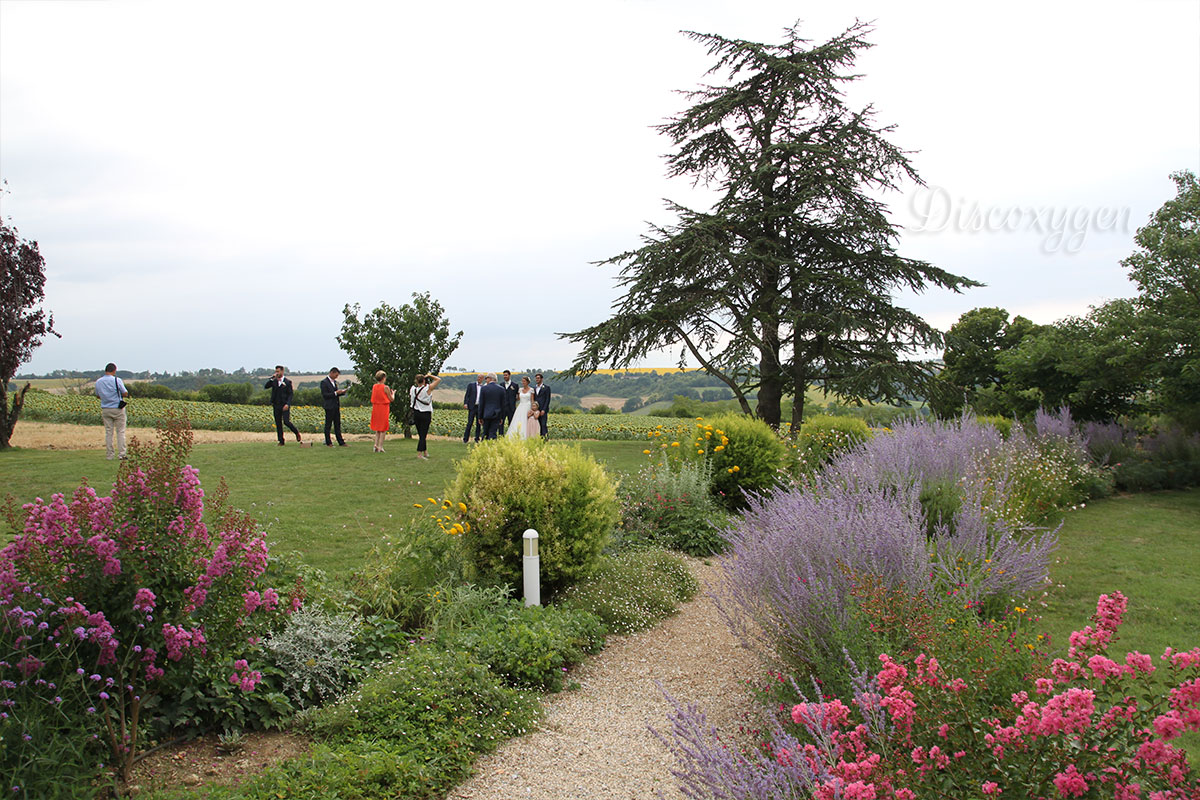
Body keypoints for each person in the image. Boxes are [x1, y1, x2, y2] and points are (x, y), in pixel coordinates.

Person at [95, 362, 129, 460]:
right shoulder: (117, 380)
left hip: (105, 408)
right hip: (117, 408)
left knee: (109, 432)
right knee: (120, 432)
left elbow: (98, 395)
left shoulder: (99, 382)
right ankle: (122, 454)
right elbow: (125, 393)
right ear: (114, 370)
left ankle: (110, 455)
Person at [265, 365, 301, 446]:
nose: (277, 373)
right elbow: (266, 386)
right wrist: (272, 379)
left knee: (286, 422)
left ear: (282, 371)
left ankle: (296, 432)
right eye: (276, 371)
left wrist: (288, 404)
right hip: (276, 405)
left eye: (278, 371)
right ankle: (281, 441)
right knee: (278, 423)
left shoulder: (287, 382)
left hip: (284, 405)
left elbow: (290, 394)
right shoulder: (274, 381)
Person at [409, 372, 441, 459]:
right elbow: (438, 379)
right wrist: (429, 375)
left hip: (416, 413)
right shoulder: (427, 389)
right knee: (423, 435)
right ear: (424, 380)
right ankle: (419, 454)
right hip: (425, 413)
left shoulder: (413, 389)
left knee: (421, 434)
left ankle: (425, 451)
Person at [321, 367, 349, 447]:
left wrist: (342, 392)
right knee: (328, 425)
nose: (336, 377)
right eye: (336, 375)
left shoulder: (334, 382)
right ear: (332, 373)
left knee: (337, 425)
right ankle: (328, 442)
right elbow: (325, 395)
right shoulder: (324, 382)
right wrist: (335, 393)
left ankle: (341, 442)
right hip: (329, 406)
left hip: (336, 406)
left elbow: (335, 394)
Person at [369, 370, 394, 452]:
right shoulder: (385, 387)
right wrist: (393, 394)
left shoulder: (374, 386)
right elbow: (391, 399)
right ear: (383, 378)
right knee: (383, 428)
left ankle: (376, 445)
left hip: (376, 407)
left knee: (378, 428)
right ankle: (380, 446)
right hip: (383, 407)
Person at [478, 372, 506, 440]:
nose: (486, 380)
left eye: (486, 378)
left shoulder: (484, 389)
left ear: (490, 378)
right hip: (496, 414)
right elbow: (503, 405)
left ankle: (484, 444)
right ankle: (492, 444)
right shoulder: (501, 389)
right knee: (493, 432)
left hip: (486, 414)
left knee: (485, 432)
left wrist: (480, 417)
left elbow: (481, 404)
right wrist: (502, 417)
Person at [506, 376, 535, 440]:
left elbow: (532, 400)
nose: (523, 382)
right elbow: (518, 398)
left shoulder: (531, 390)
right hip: (521, 406)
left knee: (526, 421)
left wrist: (533, 409)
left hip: (528, 406)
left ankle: (526, 436)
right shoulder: (520, 390)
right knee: (517, 421)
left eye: (524, 381)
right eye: (522, 381)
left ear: (527, 382)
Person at [462, 373, 483, 443]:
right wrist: (465, 403)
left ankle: (477, 438)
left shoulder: (483, 387)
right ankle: (465, 439)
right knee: (470, 423)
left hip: (479, 407)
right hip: (472, 407)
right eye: (478, 377)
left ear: (482, 379)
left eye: (481, 378)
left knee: (478, 423)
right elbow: (467, 395)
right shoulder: (471, 385)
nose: (479, 379)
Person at [534, 372, 551, 438]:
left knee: (543, 424)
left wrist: (544, 409)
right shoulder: (534, 388)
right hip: (536, 409)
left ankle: (545, 438)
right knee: (537, 424)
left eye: (538, 378)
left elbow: (547, 400)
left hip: (543, 409)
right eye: (536, 378)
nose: (537, 379)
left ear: (541, 379)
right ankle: (538, 437)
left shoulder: (546, 388)